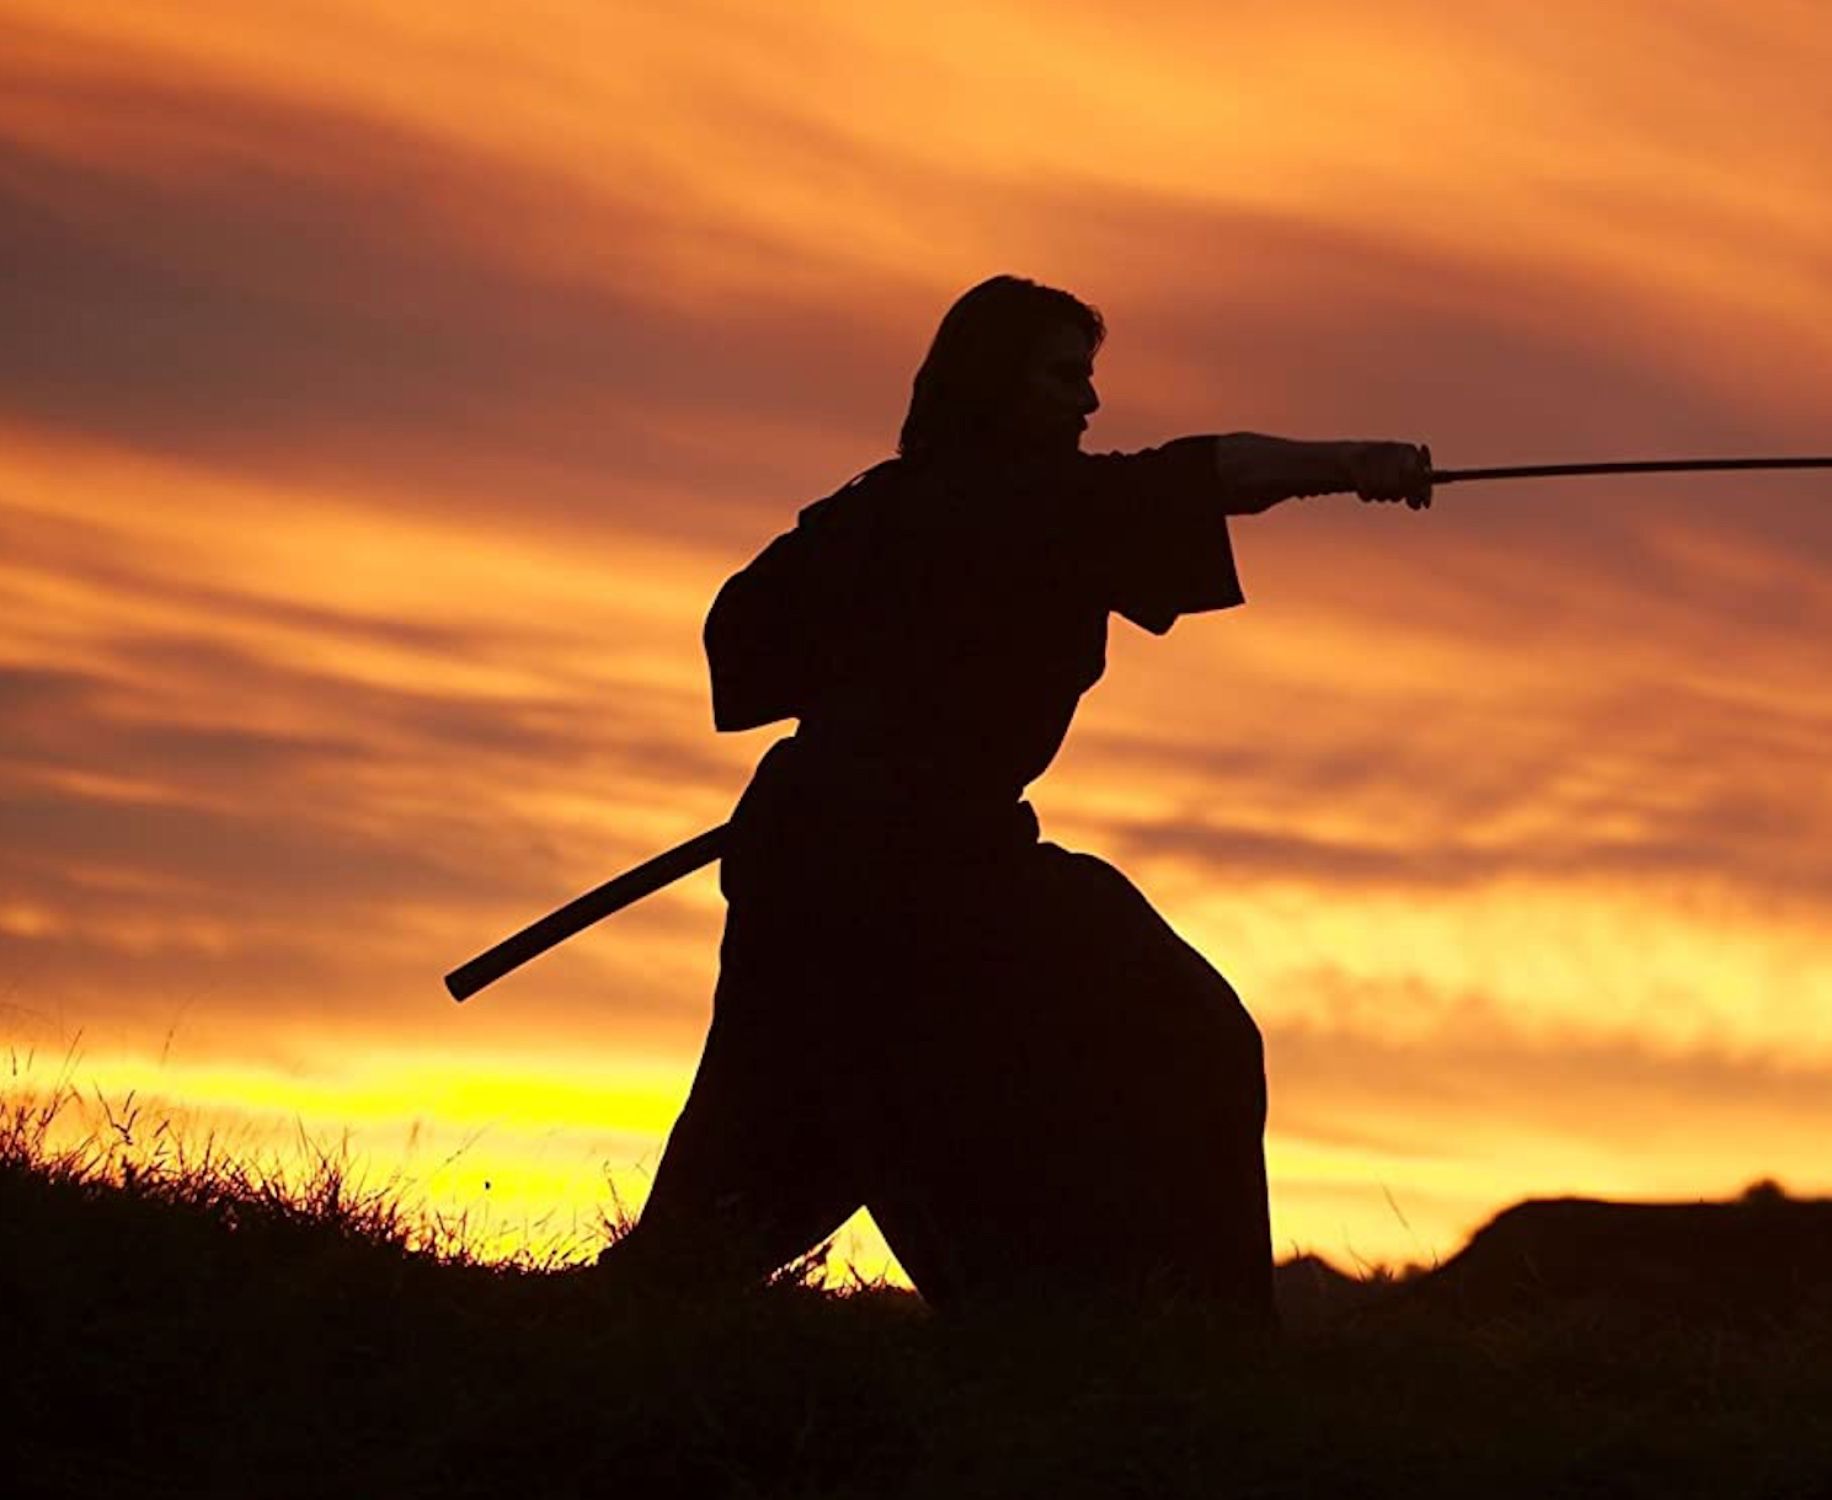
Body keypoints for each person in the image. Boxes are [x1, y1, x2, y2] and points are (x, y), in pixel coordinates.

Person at [595, 275, 1430, 1322]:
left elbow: (747, 647)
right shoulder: (1027, 507)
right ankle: (1195, 1335)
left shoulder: (891, 511)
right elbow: (1221, 470)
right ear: (994, 386)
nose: (1087, 404)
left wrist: (885, 697)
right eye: (1063, 377)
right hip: (899, 867)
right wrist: (1353, 465)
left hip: (825, 850)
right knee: (1186, 1037)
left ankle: (1091, 1319)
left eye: (1088, 380)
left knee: (787, 1129)